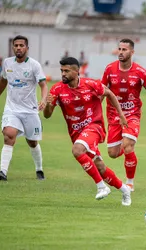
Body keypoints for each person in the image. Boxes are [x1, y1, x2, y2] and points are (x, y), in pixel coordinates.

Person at [43, 57, 132, 206]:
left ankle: (101, 187)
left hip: (94, 127)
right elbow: (47, 115)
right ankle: (125, 190)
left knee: (77, 150)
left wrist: (121, 115)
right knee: (100, 168)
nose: (63, 74)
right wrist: (48, 104)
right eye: (61, 71)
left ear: (77, 71)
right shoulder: (57, 89)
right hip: (77, 134)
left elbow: (109, 93)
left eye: (66, 71)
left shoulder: (91, 84)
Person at [101, 38, 146, 192]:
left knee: (128, 146)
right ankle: (127, 149)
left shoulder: (140, 72)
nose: (121, 52)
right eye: (119, 49)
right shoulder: (109, 69)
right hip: (114, 115)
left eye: (124, 50)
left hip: (132, 115)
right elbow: (102, 91)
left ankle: (130, 182)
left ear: (132, 52)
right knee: (112, 153)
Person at [0, 35, 48, 181]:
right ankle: (3, 172)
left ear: (27, 48)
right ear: (13, 47)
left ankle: (39, 169)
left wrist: (43, 99)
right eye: (16, 45)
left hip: (30, 111)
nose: (18, 48)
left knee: (32, 142)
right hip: (12, 109)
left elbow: (43, 85)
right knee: (9, 135)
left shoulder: (34, 65)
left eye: (21, 45)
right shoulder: (7, 63)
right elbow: (3, 82)